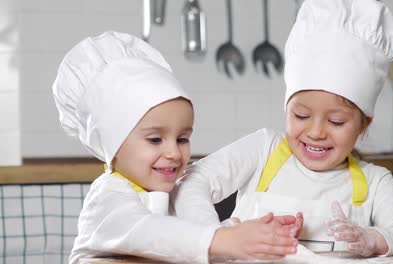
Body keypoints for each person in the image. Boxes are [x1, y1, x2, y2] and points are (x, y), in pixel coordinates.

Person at [174, 0, 393, 258]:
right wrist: (218, 236)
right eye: (301, 115)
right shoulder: (264, 150)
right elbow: (192, 180)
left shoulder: (375, 181)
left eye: (336, 122)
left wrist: (372, 239)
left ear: (364, 124)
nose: (316, 132)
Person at [52, 31, 300, 264]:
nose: (173, 153)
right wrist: (224, 240)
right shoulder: (108, 198)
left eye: (182, 139)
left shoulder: (175, 195)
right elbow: (149, 233)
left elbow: (197, 240)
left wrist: (258, 236)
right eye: (155, 139)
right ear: (114, 146)